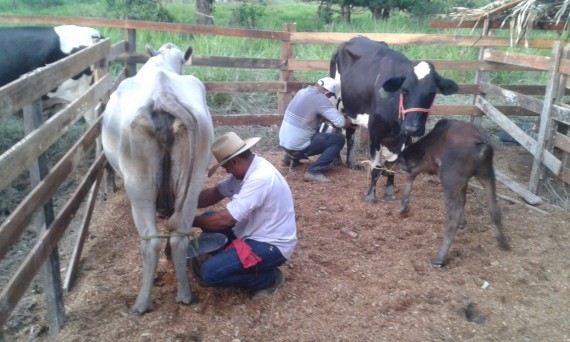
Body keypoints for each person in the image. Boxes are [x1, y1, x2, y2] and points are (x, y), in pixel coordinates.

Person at [192, 132, 297, 299]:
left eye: (226, 167)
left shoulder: (260, 178)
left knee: (208, 274)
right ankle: (231, 260)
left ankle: (269, 279)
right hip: (251, 233)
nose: (226, 171)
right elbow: (215, 193)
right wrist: (180, 205)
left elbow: (226, 220)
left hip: (271, 247)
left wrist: (187, 221)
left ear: (234, 162)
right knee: (210, 217)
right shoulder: (245, 171)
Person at [279, 76, 353, 183]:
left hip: (284, 142)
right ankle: (314, 171)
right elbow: (340, 122)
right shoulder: (321, 99)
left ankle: (288, 157)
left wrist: (325, 118)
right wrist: (351, 120)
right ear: (326, 93)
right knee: (338, 139)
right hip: (297, 146)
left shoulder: (302, 92)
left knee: (313, 129)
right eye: (330, 96)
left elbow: (309, 114)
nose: (329, 98)